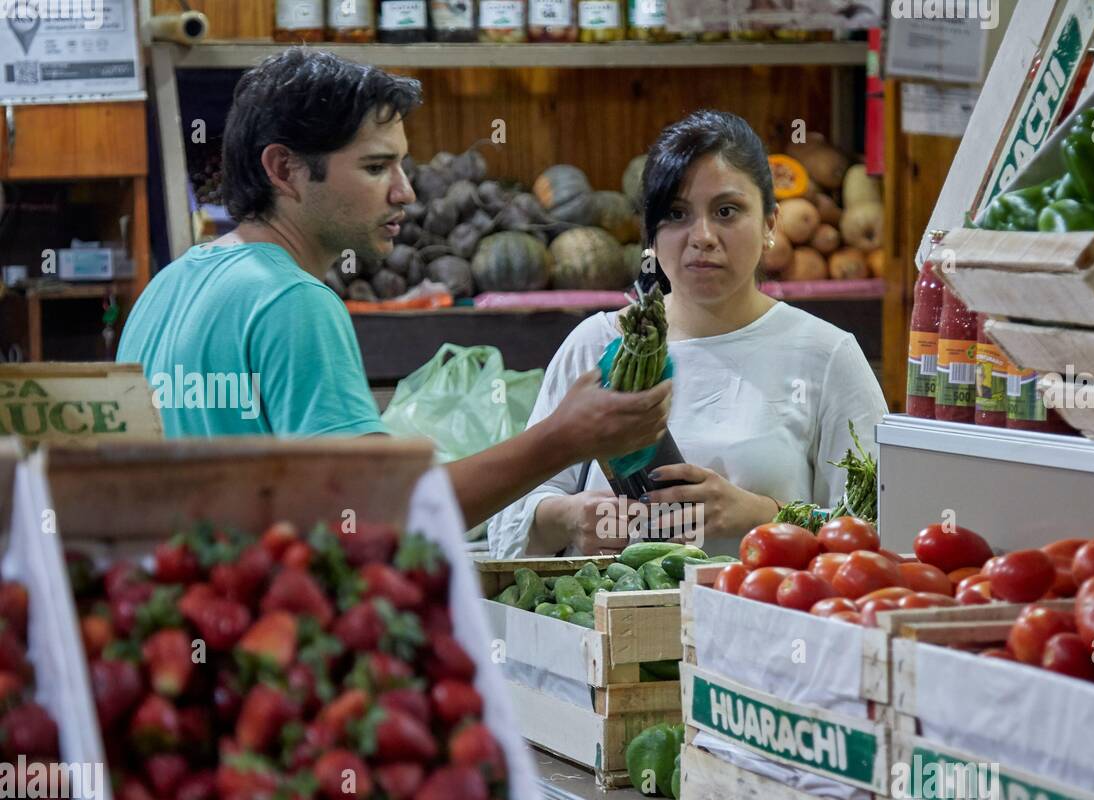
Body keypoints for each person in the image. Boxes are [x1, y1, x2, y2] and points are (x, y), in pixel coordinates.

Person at [117, 49, 669, 530]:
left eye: (400, 165)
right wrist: (563, 439)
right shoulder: (292, 302)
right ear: (285, 169)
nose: (404, 191)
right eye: (377, 167)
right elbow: (380, 515)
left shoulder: (166, 288)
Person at [488, 110, 888, 559]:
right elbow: (509, 524)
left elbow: (878, 528)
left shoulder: (827, 355)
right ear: (650, 235)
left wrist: (762, 514)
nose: (702, 236)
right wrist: (566, 519)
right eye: (677, 214)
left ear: (770, 223)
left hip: (768, 621)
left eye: (726, 211)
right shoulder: (600, 345)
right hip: (615, 623)